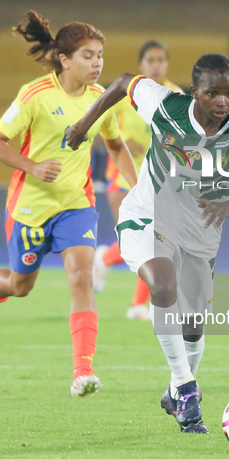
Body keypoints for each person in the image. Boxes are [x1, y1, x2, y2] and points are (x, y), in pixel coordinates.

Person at [66, 54, 229, 432]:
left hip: (199, 236)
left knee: (193, 326)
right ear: (194, 93)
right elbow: (123, 82)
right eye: (213, 93)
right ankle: (188, 392)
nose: (223, 102)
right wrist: (82, 126)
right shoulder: (166, 104)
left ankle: (176, 389)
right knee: (163, 285)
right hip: (145, 216)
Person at [0, 11, 137, 397]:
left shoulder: (100, 100)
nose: (97, 63)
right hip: (31, 205)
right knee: (21, 286)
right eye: (88, 56)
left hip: (77, 204)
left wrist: (138, 188)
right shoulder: (34, 95)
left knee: (81, 276)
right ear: (65, 59)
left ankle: (82, 372)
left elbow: (114, 145)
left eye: (100, 55)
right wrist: (33, 166)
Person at [95, 41, 184, 321]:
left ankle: (135, 302)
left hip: (159, 179)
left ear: (167, 64)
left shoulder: (176, 96)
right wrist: (120, 141)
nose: (156, 65)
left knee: (155, 241)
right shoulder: (126, 94)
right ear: (141, 65)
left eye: (161, 59)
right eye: (150, 60)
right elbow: (96, 126)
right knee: (139, 239)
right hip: (122, 177)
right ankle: (107, 261)